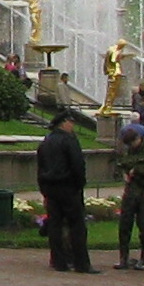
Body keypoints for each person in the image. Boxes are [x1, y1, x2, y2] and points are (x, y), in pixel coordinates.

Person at [35, 107, 92, 271]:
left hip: (50, 188)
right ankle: (81, 263)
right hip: (68, 187)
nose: (72, 126)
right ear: (64, 123)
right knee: (77, 225)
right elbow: (77, 165)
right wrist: (79, 184)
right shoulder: (69, 140)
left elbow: (40, 166)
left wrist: (44, 188)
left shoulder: (46, 141)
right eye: (70, 122)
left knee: (55, 225)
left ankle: (58, 261)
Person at [114, 119, 144, 268]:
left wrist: (135, 170)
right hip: (131, 190)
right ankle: (124, 258)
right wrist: (129, 169)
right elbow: (123, 163)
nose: (130, 147)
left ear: (138, 139)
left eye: (132, 143)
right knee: (125, 224)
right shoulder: (129, 150)